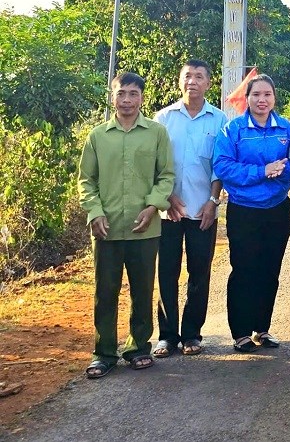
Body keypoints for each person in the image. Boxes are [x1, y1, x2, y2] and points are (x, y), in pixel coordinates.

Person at [78, 72, 175, 379]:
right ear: (113, 97)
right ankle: (104, 352)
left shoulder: (156, 133)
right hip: (105, 228)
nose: (127, 100)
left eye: (133, 94)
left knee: (142, 291)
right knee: (105, 291)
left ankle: (138, 348)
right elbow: (86, 180)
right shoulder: (97, 136)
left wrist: (153, 206)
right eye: (121, 93)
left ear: (142, 98)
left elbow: (166, 176)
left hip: (144, 227)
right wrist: (95, 212)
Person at [213, 73, 290, 353]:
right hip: (244, 210)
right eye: (256, 94)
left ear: (274, 97)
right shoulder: (233, 129)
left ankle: (263, 328)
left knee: (270, 270)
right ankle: (241, 333)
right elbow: (223, 166)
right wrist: (263, 171)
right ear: (246, 98)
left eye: (267, 94)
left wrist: (282, 171)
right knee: (243, 269)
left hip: (277, 209)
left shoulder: (286, 128)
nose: (262, 100)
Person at [152, 59, 227, 358]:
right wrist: (168, 197)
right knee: (166, 272)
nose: (192, 81)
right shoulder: (163, 118)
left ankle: (192, 333)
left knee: (200, 271)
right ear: (179, 81)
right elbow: (155, 163)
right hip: (168, 211)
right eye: (187, 76)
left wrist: (213, 201)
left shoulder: (219, 119)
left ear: (208, 82)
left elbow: (220, 164)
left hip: (202, 210)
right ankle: (167, 335)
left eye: (198, 76)